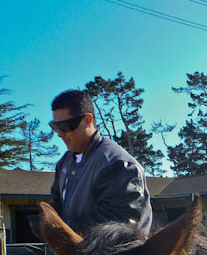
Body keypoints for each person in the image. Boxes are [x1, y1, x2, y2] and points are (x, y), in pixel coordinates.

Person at [46, 89, 152, 236]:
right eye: (55, 127)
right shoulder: (64, 163)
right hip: (75, 252)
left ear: (88, 120)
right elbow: (56, 204)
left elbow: (118, 225)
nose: (59, 133)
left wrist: (61, 231)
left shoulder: (117, 164)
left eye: (65, 126)